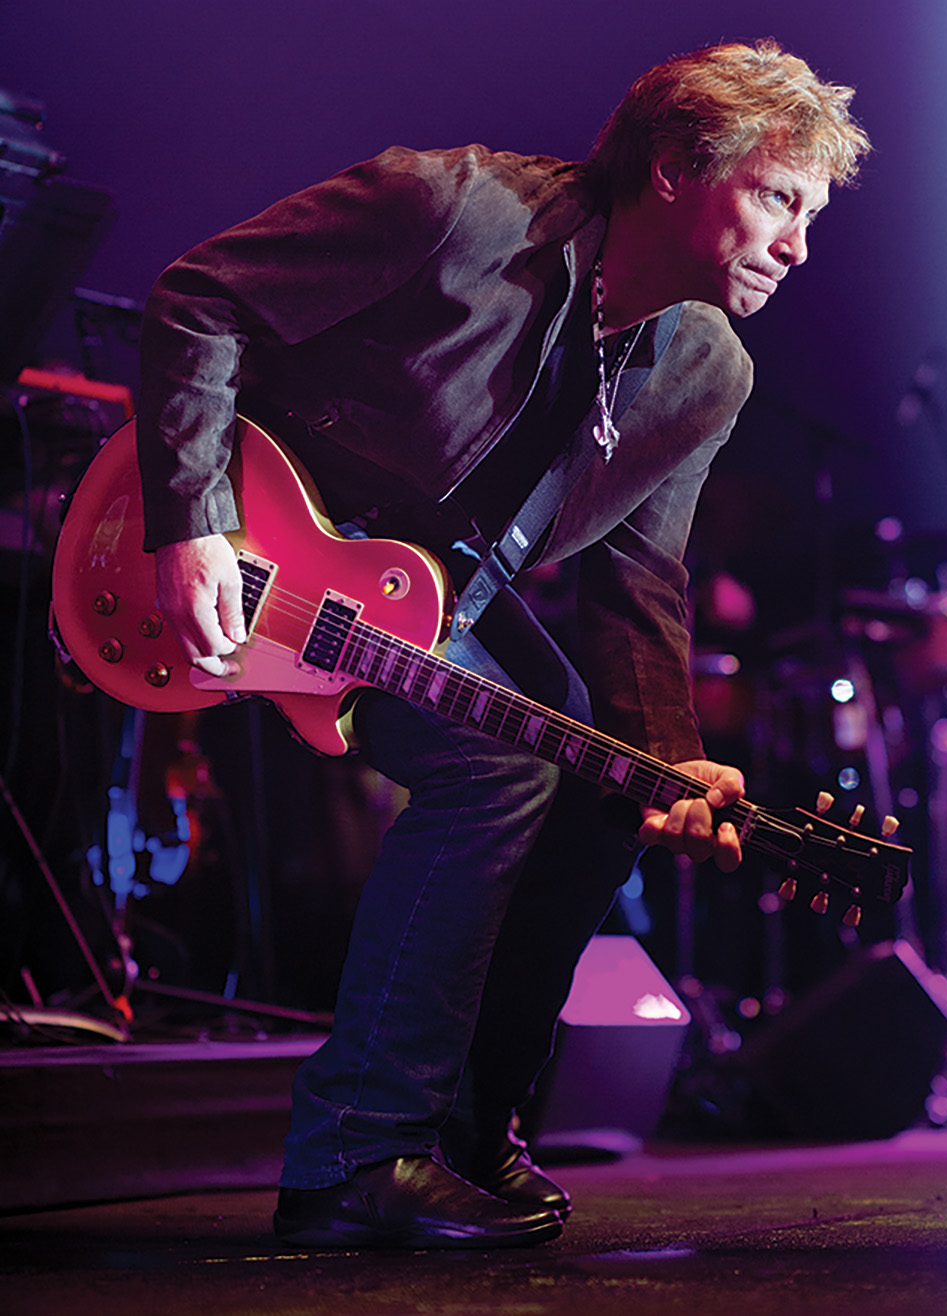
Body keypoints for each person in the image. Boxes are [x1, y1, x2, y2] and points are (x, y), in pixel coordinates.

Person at [136, 38, 870, 1249]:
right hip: (250, 561)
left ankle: (467, 1131)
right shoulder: (451, 207)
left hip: (426, 610)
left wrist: (671, 759)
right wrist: (193, 522)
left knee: (602, 788)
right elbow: (197, 299)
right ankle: (354, 1155)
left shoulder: (704, 370)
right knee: (499, 766)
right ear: (681, 168)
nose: (798, 244)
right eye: (780, 198)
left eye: (811, 214)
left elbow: (641, 576)